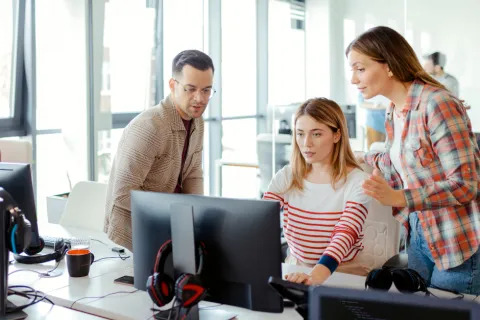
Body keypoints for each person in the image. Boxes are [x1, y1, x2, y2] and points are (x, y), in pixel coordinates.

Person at [348, 26, 480, 295]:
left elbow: (466, 184)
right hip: (419, 230)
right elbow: (400, 157)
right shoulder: (394, 109)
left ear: (389, 66)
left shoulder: (437, 103)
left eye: (360, 69)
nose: (353, 79)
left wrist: (400, 198)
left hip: (457, 238)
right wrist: (359, 155)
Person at [104, 50, 215, 251]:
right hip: (135, 234)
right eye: (191, 89)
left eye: (206, 90)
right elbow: (122, 195)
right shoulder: (151, 127)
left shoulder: (197, 122)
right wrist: (172, 220)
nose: (200, 98)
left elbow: (193, 174)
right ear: (173, 85)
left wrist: (197, 221)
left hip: (171, 229)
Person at [263, 98, 372, 285]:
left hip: (342, 271)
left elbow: (345, 233)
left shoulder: (357, 181)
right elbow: (260, 218)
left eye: (316, 134)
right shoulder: (288, 176)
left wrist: (316, 276)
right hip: (296, 267)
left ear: (337, 135)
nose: (306, 143)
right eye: (300, 134)